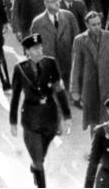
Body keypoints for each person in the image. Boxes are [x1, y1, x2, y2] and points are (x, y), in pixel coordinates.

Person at [9, 33, 72, 188]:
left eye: (40, 47)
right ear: (27, 52)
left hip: (50, 118)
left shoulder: (50, 63)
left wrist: (66, 115)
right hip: (31, 120)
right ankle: (41, 182)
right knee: (38, 159)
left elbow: (58, 90)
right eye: (35, 49)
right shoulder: (20, 69)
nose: (39, 51)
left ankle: (36, 167)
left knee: (40, 157)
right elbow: (15, 96)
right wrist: (13, 122)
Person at [70, 11, 109, 133]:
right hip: (90, 88)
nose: (97, 27)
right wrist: (75, 90)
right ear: (87, 25)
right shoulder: (79, 40)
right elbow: (76, 66)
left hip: (108, 86)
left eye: (99, 24)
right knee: (94, 122)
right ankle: (96, 148)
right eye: (94, 25)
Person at [30, 0, 80, 91]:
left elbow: (77, 36)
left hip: (68, 55)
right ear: (46, 3)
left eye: (57, 0)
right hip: (50, 58)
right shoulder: (38, 22)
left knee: (71, 81)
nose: (57, 3)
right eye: (53, 1)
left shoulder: (68, 16)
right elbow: (33, 44)